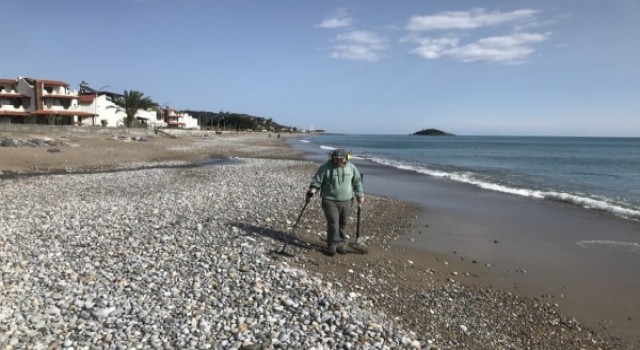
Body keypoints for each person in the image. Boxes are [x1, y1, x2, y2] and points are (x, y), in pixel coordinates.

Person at [306, 148, 364, 256]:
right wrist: (312, 190)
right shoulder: (325, 168)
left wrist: (359, 195)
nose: (338, 161)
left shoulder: (352, 168)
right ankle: (331, 245)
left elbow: (357, 182)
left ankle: (341, 243)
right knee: (333, 223)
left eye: (341, 159)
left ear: (346, 158)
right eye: (336, 159)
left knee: (343, 223)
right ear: (331, 158)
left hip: (347, 200)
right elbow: (317, 181)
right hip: (329, 200)